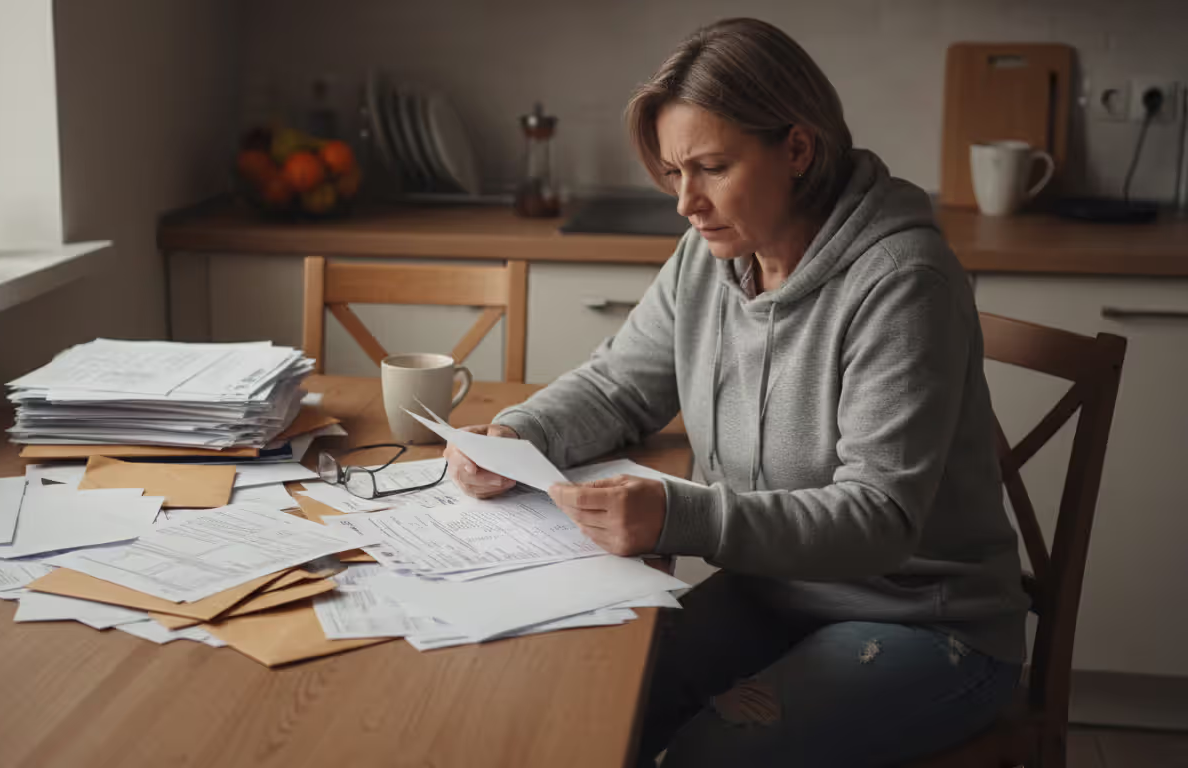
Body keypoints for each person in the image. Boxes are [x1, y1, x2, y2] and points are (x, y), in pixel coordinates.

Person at [441, 17, 1029, 768]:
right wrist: (521, 435)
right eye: (674, 172)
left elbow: (880, 519)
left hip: (928, 626)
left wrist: (677, 517)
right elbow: (623, 383)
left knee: (708, 756)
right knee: (589, 697)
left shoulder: (902, 282)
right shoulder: (711, 254)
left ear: (797, 148)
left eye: (711, 167)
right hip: (775, 592)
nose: (686, 203)